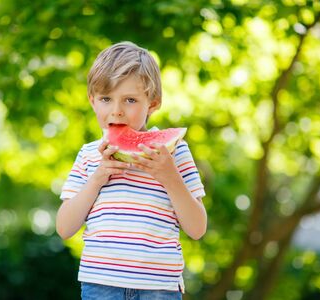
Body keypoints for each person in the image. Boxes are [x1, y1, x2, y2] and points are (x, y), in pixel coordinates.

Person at [56, 41, 207, 300]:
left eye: (130, 100)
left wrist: (170, 178)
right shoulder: (89, 155)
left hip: (159, 287)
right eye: (106, 98)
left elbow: (197, 228)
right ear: (92, 102)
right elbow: (64, 227)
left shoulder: (173, 153)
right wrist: (97, 180)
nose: (116, 110)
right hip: (100, 284)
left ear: (153, 103)